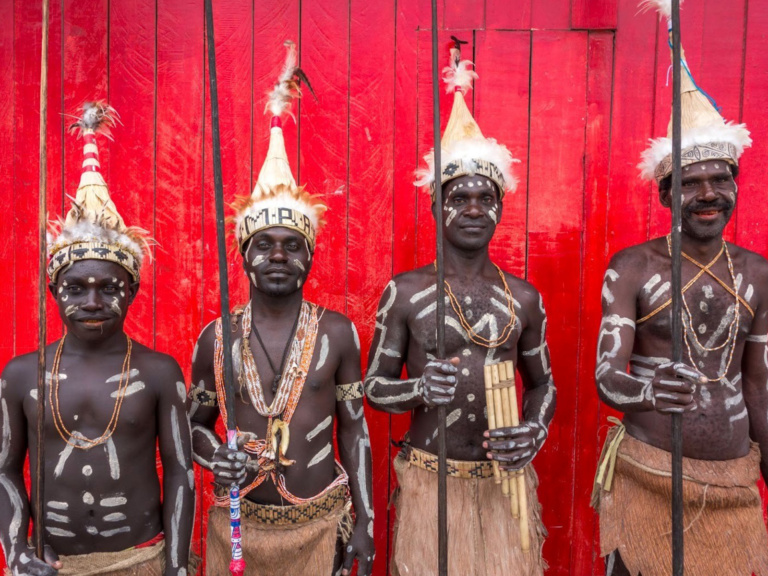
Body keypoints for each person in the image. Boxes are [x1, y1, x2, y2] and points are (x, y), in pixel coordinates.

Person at [364, 40, 555, 576]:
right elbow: (373, 387)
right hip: (430, 480)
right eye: (459, 197)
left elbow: (543, 385)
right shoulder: (405, 292)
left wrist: (533, 433)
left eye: (485, 198)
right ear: (435, 205)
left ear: (500, 207)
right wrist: (419, 390)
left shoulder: (524, 297)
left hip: (503, 482)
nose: (473, 209)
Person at [592, 3, 768, 575]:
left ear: (736, 186)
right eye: (690, 183)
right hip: (648, 475)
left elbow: (759, 385)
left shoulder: (757, 274)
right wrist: (648, 392)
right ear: (666, 195)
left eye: (720, 179)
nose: (708, 194)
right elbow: (606, 375)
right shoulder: (633, 267)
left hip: (734, 485)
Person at [189, 42, 374, 576]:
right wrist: (214, 456)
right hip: (239, 526)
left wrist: (364, 521)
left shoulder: (336, 333)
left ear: (310, 256)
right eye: (264, 245)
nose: (277, 256)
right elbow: (193, 425)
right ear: (243, 255)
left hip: (319, 525)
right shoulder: (217, 337)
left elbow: (355, 429)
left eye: (292, 245)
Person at [0, 103, 195, 576]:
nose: (92, 301)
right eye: (75, 288)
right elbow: (3, 469)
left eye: (109, 288)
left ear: (132, 291)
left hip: (141, 559)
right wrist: (16, 551)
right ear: (53, 291)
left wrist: (175, 566)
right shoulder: (22, 374)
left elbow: (181, 472)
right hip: (52, 565)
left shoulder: (158, 372)